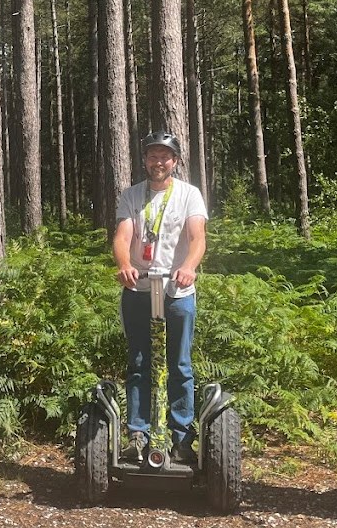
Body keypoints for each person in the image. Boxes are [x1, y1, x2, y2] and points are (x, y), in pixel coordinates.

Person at [111, 130, 208, 463]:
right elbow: (123, 237)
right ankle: (138, 433)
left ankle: (181, 438)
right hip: (139, 288)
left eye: (165, 156)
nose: (158, 162)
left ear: (175, 161)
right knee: (138, 363)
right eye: (153, 156)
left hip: (177, 289)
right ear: (145, 160)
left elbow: (198, 238)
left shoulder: (189, 195)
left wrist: (189, 267)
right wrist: (124, 265)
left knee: (180, 364)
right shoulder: (131, 196)